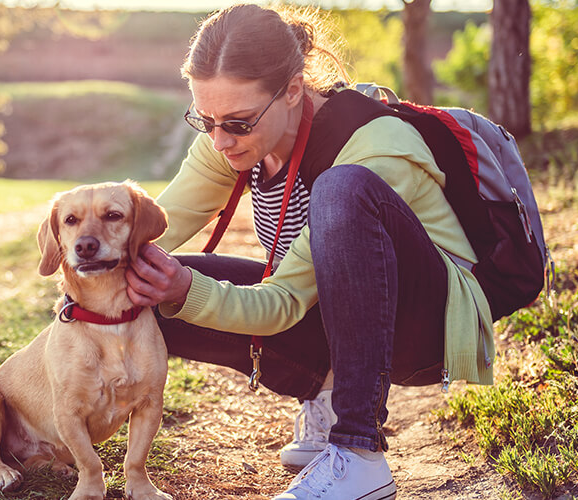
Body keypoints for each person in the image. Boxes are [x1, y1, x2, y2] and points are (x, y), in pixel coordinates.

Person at [124, 4, 496, 500]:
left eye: (236, 122)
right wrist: (102, 273)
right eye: (205, 119)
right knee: (138, 282)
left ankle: (359, 452)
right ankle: (324, 389)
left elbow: (280, 302)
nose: (219, 140)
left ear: (294, 91)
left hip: (425, 329)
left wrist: (189, 291)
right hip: (332, 314)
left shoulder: (374, 146)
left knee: (342, 190)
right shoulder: (231, 138)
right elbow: (151, 234)